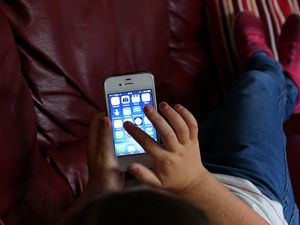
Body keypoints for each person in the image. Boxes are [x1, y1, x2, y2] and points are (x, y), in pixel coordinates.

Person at [60, 11, 300, 225]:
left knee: (222, 110)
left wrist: (100, 191)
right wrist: (194, 182)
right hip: (244, 197)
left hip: (168, 173)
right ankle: (275, 69)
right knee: (257, 85)